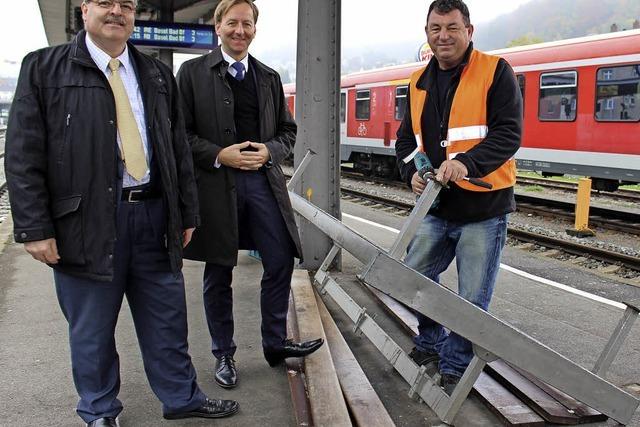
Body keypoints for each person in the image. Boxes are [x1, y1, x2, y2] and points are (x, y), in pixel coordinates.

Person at [5, 0, 239, 425]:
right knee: (92, 329)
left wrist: (186, 213)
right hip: (85, 222)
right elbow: (23, 153)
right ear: (84, 8)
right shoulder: (44, 68)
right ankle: (99, 409)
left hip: (154, 215)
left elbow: (176, 150)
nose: (117, 12)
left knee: (167, 320)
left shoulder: (154, 73)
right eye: (105, 2)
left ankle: (181, 398)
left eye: (126, 5)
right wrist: (34, 228)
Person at [176, 0, 323, 390]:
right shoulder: (190, 74)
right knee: (219, 268)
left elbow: (288, 133)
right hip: (216, 184)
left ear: (255, 29)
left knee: (279, 260)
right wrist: (218, 154)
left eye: (247, 23)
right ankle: (223, 353)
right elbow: (179, 135)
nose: (239, 30)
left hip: (261, 183)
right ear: (217, 25)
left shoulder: (268, 77)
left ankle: (275, 344)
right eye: (232, 23)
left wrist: (269, 151)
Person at [395, 0, 522, 395]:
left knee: (472, 299)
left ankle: (454, 365)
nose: (443, 36)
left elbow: (508, 134)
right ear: (427, 32)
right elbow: (404, 142)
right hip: (435, 207)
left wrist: (466, 162)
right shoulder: (418, 82)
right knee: (409, 279)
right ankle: (430, 340)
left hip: (483, 210)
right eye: (436, 28)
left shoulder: (496, 71)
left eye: (452, 27)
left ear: (469, 31)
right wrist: (413, 172)